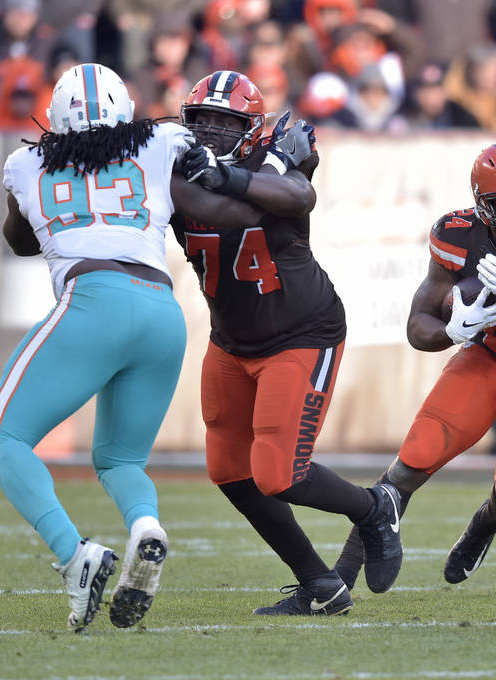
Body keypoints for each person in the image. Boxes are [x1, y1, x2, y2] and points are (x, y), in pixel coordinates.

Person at [0, 62, 257, 632]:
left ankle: (73, 554)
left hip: (93, 298)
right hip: (161, 312)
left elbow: (17, 240)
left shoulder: (24, 161)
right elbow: (220, 191)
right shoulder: (162, 141)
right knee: (119, 460)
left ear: (55, 115)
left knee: (0, 438)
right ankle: (145, 528)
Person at [172, 70, 403, 616]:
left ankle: (374, 508)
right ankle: (320, 585)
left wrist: (240, 172)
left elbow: (297, 194)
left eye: (224, 122)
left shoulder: (278, 163)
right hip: (231, 339)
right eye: (201, 119)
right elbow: (203, 203)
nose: (210, 132)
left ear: (251, 128)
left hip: (301, 332)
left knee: (280, 474)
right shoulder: (176, 171)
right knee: (230, 470)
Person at [333, 140, 496, 588]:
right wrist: (454, 331)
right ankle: (339, 576)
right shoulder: (457, 236)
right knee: (410, 463)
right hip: (485, 359)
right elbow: (418, 328)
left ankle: (484, 524)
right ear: (482, 205)